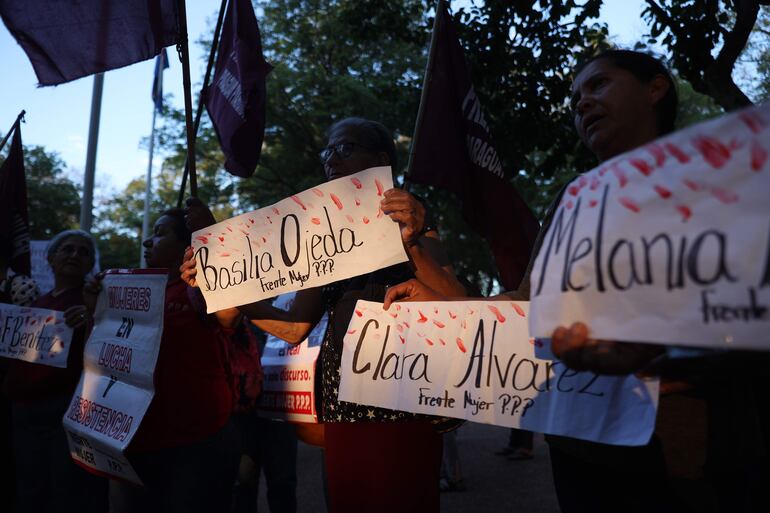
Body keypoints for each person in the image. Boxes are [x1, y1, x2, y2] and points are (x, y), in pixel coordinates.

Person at [383, 50, 713, 512]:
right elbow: (528, 301)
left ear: (655, 89)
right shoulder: (575, 196)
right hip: (579, 442)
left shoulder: (713, 179)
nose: (582, 103)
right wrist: (438, 305)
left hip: (678, 450)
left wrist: (656, 353)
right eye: (576, 97)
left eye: (598, 85)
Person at [181, 117, 467, 513]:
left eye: (345, 148)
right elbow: (294, 326)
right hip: (343, 400)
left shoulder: (414, 217)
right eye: (327, 150)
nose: (331, 157)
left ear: (380, 159)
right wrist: (221, 284)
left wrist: (412, 242)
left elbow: (455, 300)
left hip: (401, 392)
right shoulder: (323, 235)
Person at [108, 208, 243, 513]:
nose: (146, 242)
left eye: (159, 233)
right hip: (134, 442)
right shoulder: (128, 293)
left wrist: (213, 249)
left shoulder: (199, 290)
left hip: (195, 445)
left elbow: (230, 316)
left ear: (186, 245)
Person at [2, 229, 108, 513]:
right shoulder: (35, 305)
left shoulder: (96, 305)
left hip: (63, 413)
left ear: (90, 265)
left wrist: (92, 319)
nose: (75, 255)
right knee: (30, 487)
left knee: (64, 491)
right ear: (51, 258)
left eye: (84, 252)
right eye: (68, 249)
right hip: (23, 411)